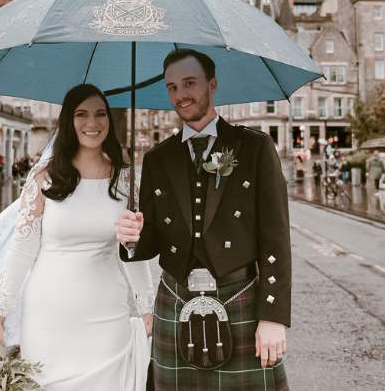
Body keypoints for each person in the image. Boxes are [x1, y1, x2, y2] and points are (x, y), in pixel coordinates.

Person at [116, 49, 290, 389]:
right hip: (175, 297)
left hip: (240, 295)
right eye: (171, 87)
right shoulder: (157, 158)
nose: (180, 95)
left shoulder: (254, 147)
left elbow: (276, 239)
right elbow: (151, 239)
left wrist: (272, 317)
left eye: (189, 83)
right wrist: (131, 237)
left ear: (212, 85)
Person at [0, 84, 153, 390]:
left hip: (107, 312)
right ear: (68, 121)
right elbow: (22, 248)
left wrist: (148, 309)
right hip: (50, 312)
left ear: (110, 120)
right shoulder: (45, 176)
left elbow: (132, 250)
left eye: (100, 114)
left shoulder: (126, 178)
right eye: (81, 114)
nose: (92, 123)